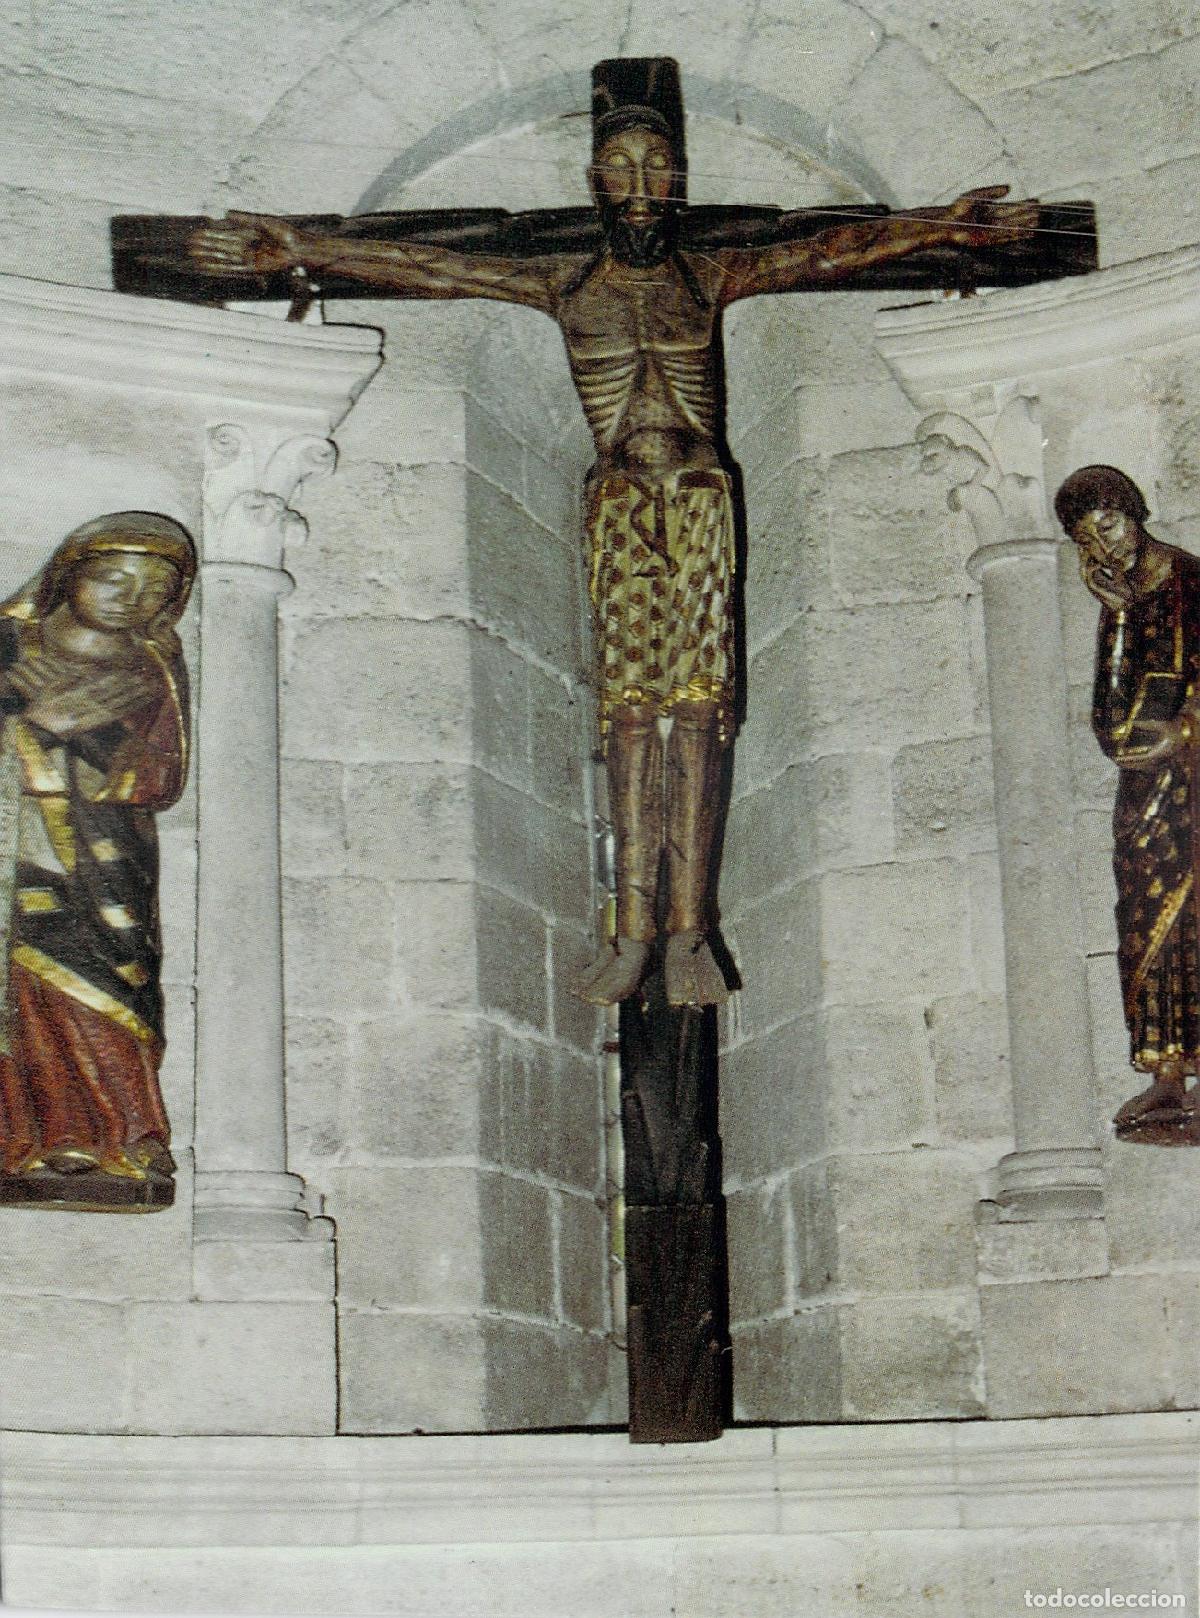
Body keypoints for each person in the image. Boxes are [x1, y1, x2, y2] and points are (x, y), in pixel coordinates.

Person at [189, 59, 1034, 1007]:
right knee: (632, 713)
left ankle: (691, 929)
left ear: (675, 181)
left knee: (703, 712)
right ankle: (632, 927)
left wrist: (940, 227)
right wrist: (298, 246)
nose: (638, 183)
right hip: (622, 506)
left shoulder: (711, 275)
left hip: (702, 498)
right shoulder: (563, 282)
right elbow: (431, 265)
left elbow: (827, 252)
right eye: (619, 165)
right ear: (595, 184)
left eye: (655, 163)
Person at [0, 512, 195, 1204]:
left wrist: (102, 756)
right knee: (30, 988)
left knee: (119, 980)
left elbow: (164, 775)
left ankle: (132, 1133)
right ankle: (43, 1135)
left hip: (111, 855)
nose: (131, 598)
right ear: (67, 575)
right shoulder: (8, 645)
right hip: (20, 847)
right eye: (112, 577)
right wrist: (28, 717)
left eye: (154, 588)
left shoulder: (153, 667)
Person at [1056, 465, 1200, 1143]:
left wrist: (1185, 731)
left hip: (1197, 779)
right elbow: (1107, 710)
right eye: (1090, 540)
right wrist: (1113, 619)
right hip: (1146, 790)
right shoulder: (1120, 600)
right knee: (1144, 914)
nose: (1106, 548)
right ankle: (1166, 1071)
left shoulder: (1192, 582)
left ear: (1133, 513)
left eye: (1109, 527)